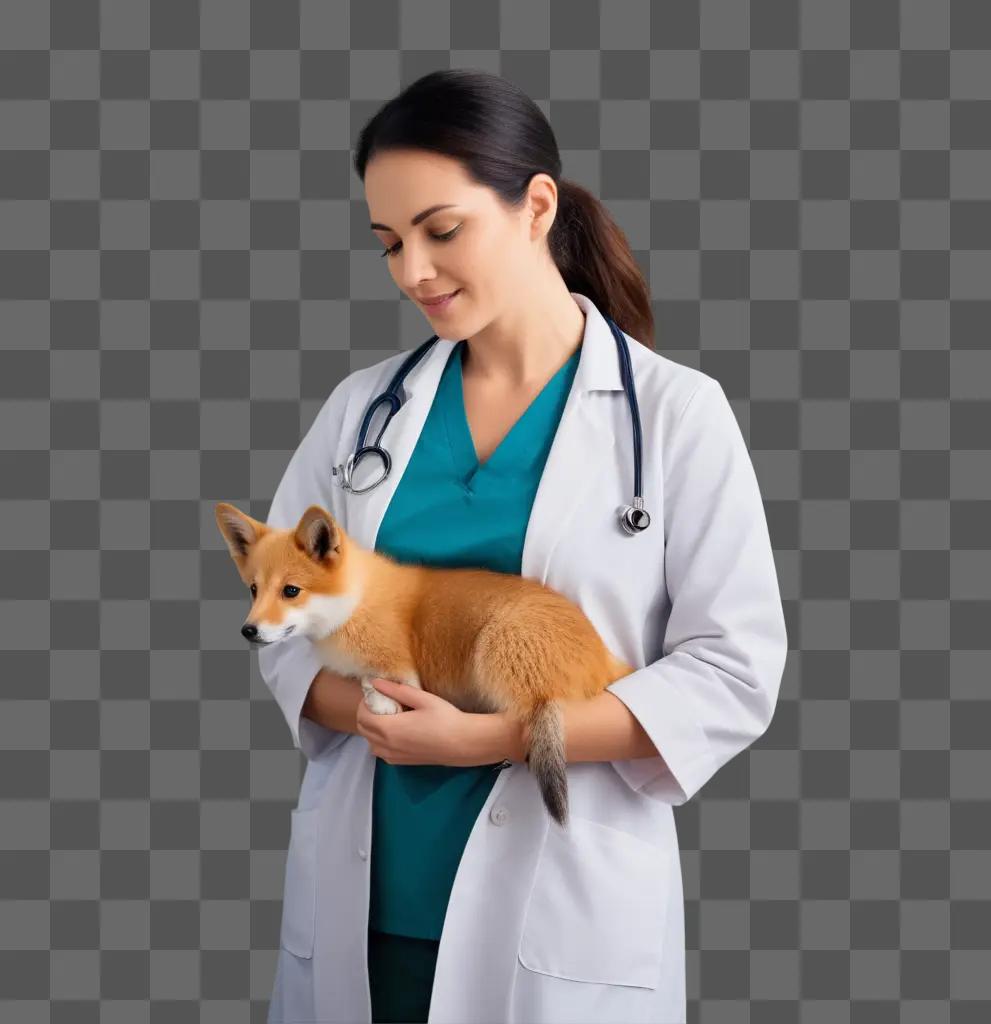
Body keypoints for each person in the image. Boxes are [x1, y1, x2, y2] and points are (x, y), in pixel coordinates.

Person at [261, 68, 788, 1024]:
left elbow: (733, 670)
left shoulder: (674, 416)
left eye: (441, 230)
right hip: (368, 910)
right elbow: (284, 625)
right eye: (388, 243)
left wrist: (483, 740)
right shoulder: (362, 415)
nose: (412, 270)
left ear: (537, 204)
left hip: (562, 915)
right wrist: (377, 715)